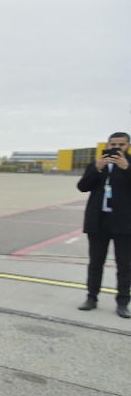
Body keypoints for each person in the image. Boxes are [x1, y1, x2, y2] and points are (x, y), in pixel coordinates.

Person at [76, 132, 131, 317]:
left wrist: (126, 169)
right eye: (113, 143)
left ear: (128, 146)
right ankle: (91, 297)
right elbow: (82, 186)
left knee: (125, 265)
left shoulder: (128, 164)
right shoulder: (98, 163)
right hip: (98, 222)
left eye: (121, 144)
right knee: (95, 263)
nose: (117, 147)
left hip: (124, 223)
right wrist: (97, 169)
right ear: (108, 144)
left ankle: (122, 302)